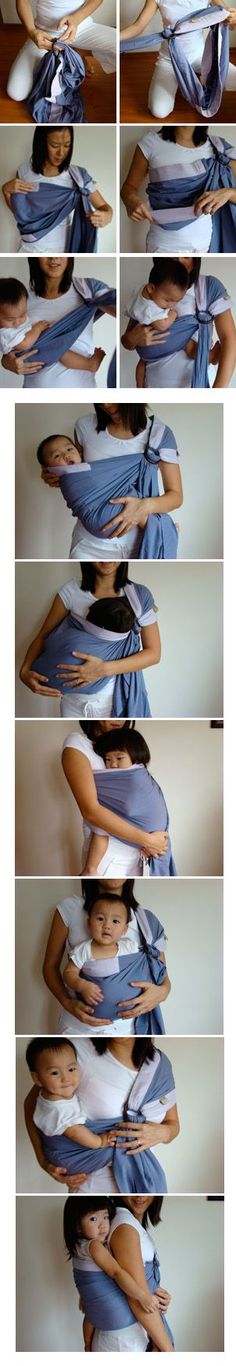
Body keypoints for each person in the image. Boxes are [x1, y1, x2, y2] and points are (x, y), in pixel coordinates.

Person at [24, 1037, 180, 1194]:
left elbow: (172, 1124)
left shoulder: (159, 1065)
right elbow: (36, 1104)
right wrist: (43, 1161)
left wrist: (163, 1133)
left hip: (143, 1178)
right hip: (91, 1185)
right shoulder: (75, 1051)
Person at [39, 403, 183, 560]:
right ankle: (164, 528)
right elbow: (76, 471)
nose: (106, 404)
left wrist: (142, 508)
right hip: (89, 545)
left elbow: (176, 497)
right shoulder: (84, 426)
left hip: (140, 545)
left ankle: (162, 528)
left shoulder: (159, 435)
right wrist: (51, 473)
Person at [19, 560, 160, 719]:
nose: (106, 560)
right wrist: (24, 671)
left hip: (114, 697)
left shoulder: (138, 596)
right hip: (72, 702)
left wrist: (102, 669)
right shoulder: (71, 591)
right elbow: (42, 636)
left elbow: (154, 654)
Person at [42, 876, 170, 1036]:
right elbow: (50, 967)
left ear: (124, 927)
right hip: (79, 1028)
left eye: (116, 921)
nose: (107, 925)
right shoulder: (70, 909)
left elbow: (162, 975)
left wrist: (163, 992)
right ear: (89, 922)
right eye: (100, 919)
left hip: (131, 1030)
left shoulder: (145, 920)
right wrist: (68, 1003)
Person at [62, 723, 176, 878]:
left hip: (141, 855)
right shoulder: (78, 743)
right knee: (100, 829)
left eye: (119, 758)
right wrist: (149, 840)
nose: (112, 764)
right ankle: (90, 868)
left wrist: (152, 841)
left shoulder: (135, 768)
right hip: (111, 853)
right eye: (107, 759)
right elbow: (92, 812)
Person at [63, 1195, 174, 1351]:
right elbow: (117, 1273)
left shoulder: (80, 1247)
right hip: (122, 1339)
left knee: (90, 1313)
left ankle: (87, 1345)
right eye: (93, 1219)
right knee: (90, 1311)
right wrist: (143, 1296)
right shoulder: (99, 1243)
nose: (103, 1225)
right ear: (77, 1226)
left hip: (117, 1331)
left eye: (105, 1217)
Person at [122, 257, 236, 389]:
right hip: (153, 384)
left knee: (189, 345)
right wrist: (132, 338)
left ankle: (210, 356)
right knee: (142, 363)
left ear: (195, 261)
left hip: (197, 385)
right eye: (171, 253)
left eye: (186, 256)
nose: (178, 260)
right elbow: (127, 341)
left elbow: (230, 339)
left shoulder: (207, 288)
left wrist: (218, 393)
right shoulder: (149, 294)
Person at [121, 125, 236, 255]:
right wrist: (132, 201)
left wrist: (229, 193)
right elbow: (128, 187)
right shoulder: (150, 143)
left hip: (205, 244)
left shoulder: (219, 149)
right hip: (162, 245)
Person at [1, 257, 115, 389]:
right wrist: (6, 362)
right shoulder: (22, 300)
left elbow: (125, 309)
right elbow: (11, 342)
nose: (54, 258)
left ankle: (89, 364)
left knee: (58, 348)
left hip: (80, 392)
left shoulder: (87, 289)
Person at [2, 127, 113, 255]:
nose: (61, 153)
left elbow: (104, 207)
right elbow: (22, 214)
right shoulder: (24, 172)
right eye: (54, 145)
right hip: (28, 250)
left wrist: (107, 216)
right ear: (41, 143)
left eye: (67, 145)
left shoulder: (78, 177)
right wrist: (5, 191)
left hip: (62, 252)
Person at [120, 1, 236, 119]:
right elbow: (137, 26)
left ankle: (200, 78)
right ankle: (198, 79)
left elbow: (229, 22)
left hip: (201, 57)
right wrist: (114, 39)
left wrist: (232, 19)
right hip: (170, 60)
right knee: (159, 111)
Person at [7, 1, 116, 103]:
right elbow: (22, 1)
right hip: (45, 34)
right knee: (16, 93)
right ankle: (72, 53)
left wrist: (76, 18)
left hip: (82, 27)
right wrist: (32, 32)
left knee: (121, 43)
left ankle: (78, 53)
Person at [26, 1036, 115, 1156]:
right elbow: (74, 1132)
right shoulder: (59, 1109)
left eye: (71, 1069)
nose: (66, 1078)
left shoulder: (50, 1093)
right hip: (67, 1154)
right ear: (37, 1078)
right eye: (54, 1073)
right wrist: (100, 1141)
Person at [122, 260, 198, 388]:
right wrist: (172, 314)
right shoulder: (149, 308)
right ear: (151, 288)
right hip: (153, 350)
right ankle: (211, 356)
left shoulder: (143, 292)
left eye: (176, 301)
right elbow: (162, 325)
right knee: (188, 345)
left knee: (142, 363)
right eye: (168, 300)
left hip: (148, 357)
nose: (171, 305)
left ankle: (140, 387)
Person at [0, 277, 49, 358]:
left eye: (22, 315)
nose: (18, 322)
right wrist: (37, 328)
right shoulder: (5, 332)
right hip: (27, 356)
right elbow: (24, 344)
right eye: (10, 319)